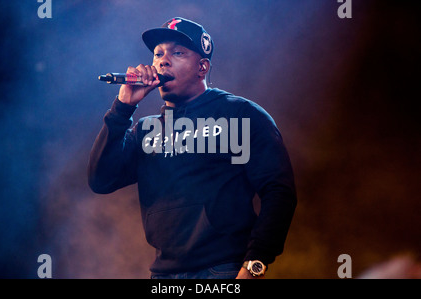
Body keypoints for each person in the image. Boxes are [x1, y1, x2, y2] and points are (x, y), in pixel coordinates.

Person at [88, 17, 297, 279]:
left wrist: (254, 265)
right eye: (158, 54)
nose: (163, 61)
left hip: (224, 270)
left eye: (178, 53)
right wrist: (123, 108)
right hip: (164, 275)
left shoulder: (239, 114)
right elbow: (100, 180)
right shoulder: (147, 129)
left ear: (202, 67)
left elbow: (279, 192)